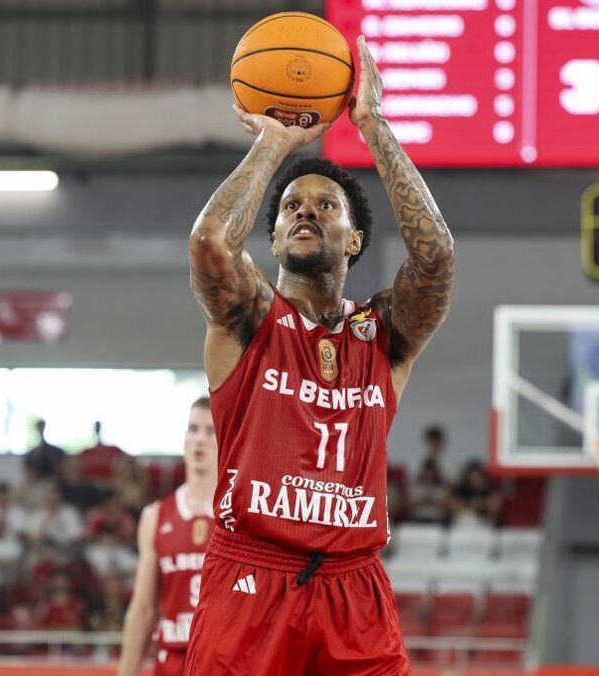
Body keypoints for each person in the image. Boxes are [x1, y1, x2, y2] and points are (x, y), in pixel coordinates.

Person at [182, 36, 454, 675]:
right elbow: (210, 244)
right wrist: (273, 142)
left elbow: (436, 257)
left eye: (325, 206)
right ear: (275, 237)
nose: (306, 211)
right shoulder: (249, 319)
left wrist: (374, 125)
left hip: (354, 589)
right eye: (291, 208)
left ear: (354, 239)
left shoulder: (383, 334)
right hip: (251, 578)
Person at [118, 397, 218, 676]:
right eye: (193, 429)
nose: (199, 439)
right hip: (172, 659)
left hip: (224, 660)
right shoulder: (156, 516)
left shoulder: (241, 514)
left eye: (210, 431)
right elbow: (143, 609)